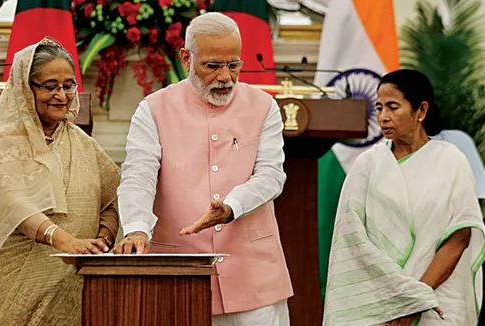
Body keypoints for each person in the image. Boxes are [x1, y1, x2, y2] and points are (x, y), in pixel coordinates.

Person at [114, 12, 293, 326]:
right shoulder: (153, 109)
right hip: (178, 276)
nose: (225, 76)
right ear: (186, 58)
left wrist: (231, 207)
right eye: (212, 65)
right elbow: (138, 175)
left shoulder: (264, 106)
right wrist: (137, 227)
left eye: (234, 64)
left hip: (254, 279)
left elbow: (271, 175)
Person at [0, 37, 120, 326]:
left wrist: (102, 241)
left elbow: (112, 199)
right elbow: (14, 205)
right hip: (14, 287)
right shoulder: (2, 143)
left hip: (74, 287)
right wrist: (65, 241)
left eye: (68, 86)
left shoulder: (83, 143)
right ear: (25, 90)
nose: (62, 96)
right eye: (50, 86)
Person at [323, 69, 485, 326]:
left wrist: (413, 301)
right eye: (379, 108)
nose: (383, 117)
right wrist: (395, 299)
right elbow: (351, 238)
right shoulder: (368, 164)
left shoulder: (451, 161)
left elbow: (459, 237)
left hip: (437, 298)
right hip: (377, 301)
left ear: (421, 110)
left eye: (393, 107)